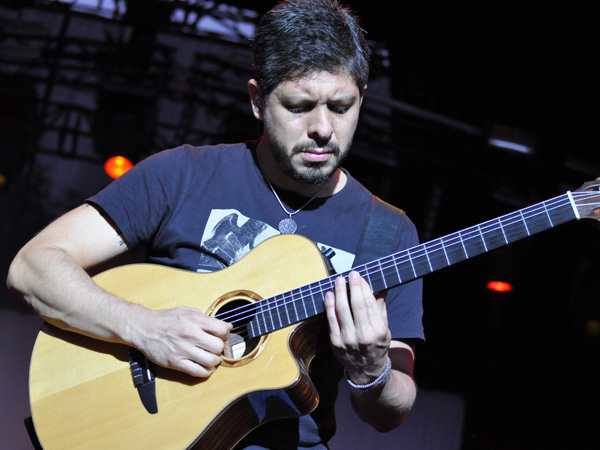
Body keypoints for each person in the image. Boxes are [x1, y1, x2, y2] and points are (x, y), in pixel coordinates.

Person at [7, 0, 424, 448]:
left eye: (341, 107)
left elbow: (389, 413)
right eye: (299, 106)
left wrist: (372, 372)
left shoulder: (389, 233)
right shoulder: (184, 174)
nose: (323, 128)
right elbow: (32, 267)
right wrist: (144, 327)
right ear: (257, 101)